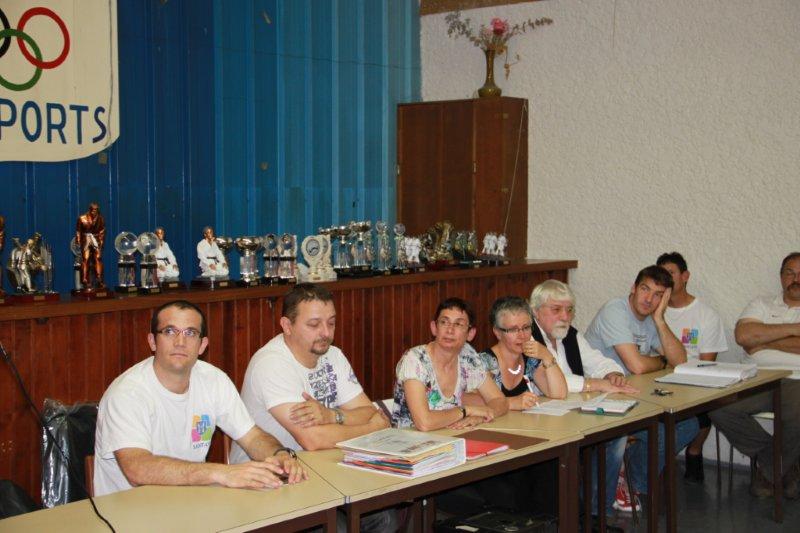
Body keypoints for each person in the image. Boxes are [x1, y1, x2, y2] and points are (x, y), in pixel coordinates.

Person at [93, 300, 306, 496]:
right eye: (169, 331)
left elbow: (251, 437)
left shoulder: (214, 379)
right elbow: (137, 469)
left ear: (202, 345)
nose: (180, 342)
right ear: (152, 341)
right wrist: (221, 473)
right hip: (129, 512)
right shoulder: (127, 393)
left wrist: (280, 455)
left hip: (192, 501)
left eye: (190, 333)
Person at [230, 283, 394, 531]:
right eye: (314, 324)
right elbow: (313, 440)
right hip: (270, 478)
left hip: (322, 468)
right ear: (287, 326)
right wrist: (372, 428)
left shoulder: (333, 355)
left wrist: (331, 416)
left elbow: (369, 411)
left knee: (385, 518)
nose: (325, 333)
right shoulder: (271, 364)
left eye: (331, 323)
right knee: (338, 528)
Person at [585, 265, 698, 512]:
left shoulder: (651, 319)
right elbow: (636, 365)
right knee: (620, 435)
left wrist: (660, 319)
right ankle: (602, 506)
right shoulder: (615, 310)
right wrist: (661, 362)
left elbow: (680, 361)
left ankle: (630, 480)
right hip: (599, 397)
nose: (649, 299)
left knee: (687, 425)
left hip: (632, 396)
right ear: (633, 288)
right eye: (645, 289)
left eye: (658, 295)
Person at [530, 280, 638, 519]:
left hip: (573, 410)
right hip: (543, 418)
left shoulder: (570, 335)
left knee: (615, 433)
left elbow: (598, 361)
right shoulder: (528, 338)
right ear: (536, 311)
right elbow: (552, 384)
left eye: (569, 310)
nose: (565, 316)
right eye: (556, 309)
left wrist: (613, 374)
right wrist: (595, 384)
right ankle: (584, 514)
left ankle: (597, 512)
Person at [710, 252, 800, 499]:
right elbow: (744, 336)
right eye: (790, 273)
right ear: (781, 277)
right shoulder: (761, 304)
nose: (796, 279)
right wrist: (794, 330)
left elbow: (754, 339)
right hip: (756, 377)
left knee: (796, 415)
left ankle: (769, 474)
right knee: (717, 407)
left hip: (797, 379)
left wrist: (767, 340)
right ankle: (785, 464)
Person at [657, 252, 728, 482]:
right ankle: (655, 460)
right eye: (661, 274)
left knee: (704, 411)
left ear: (685, 276)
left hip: (692, 381)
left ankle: (694, 451)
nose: (666, 279)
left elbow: (706, 363)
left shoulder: (706, 315)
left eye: (671, 273)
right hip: (657, 377)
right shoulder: (654, 311)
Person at [391, 297, 508, 430]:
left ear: (470, 334)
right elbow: (424, 423)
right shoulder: (415, 360)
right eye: (444, 322)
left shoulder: (467, 356)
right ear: (434, 328)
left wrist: (481, 417)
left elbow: (500, 401)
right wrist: (466, 411)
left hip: (452, 436)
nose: (450, 330)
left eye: (458, 324)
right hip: (411, 439)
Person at [478, 295, 568, 410]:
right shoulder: (484, 362)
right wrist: (511, 403)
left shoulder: (530, 360)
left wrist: (547, 355)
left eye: (526, 328)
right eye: (513, 329)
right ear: (497, 332)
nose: (522, 335)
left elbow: (559, 394)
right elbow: (466, 399)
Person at [76, 202, 106, 288]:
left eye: (96, 210)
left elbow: (102, 231)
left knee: (98, 258)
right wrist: (78, 241)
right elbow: (78, 231)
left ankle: (99, 279)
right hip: (86, 239)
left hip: (96, 239)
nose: (94, 211)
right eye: (93, 210)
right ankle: (85, 280)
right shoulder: (82, 218)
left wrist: (101, 241)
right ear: (89, 210)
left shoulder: (100, 218)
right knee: (86, 259)